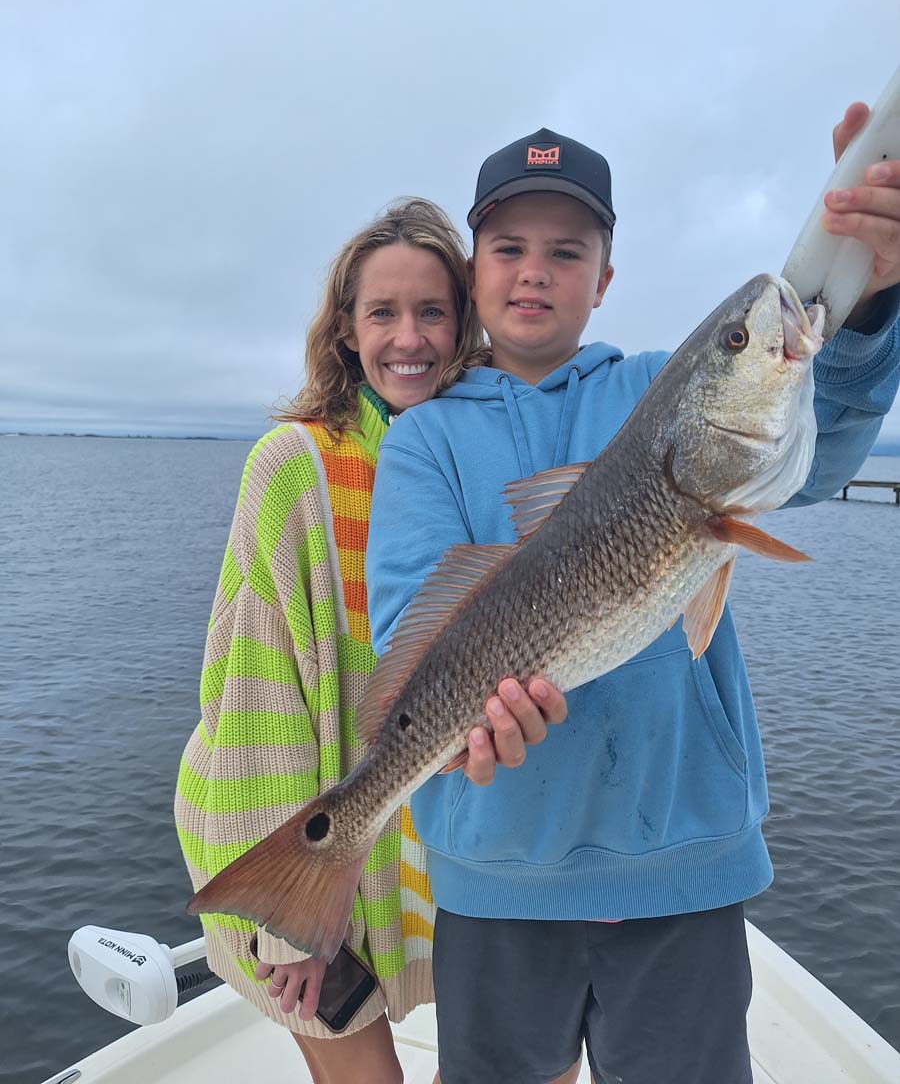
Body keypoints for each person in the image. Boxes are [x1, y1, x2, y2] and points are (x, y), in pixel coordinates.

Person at [366, 112, 900, 1084]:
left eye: (566, 252)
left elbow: (817, 447)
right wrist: (456, 722)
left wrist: (865, 295)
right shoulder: (422, 439)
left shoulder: (661, 388)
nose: (535, 272)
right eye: (510, 248)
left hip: (680, 868)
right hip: (495, 879)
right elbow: (414, 623)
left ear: (605, 278)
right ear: (474, 271)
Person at [173, 197, 568, 1084]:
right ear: (347, 331)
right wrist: (291, 919)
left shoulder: (482, 463)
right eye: (383, 313)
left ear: (464, 325)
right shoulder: (294, 467)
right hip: (297, 845)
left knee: (536, 1059)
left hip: (444, 844)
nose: (409, 338)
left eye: (433, 311)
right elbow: (257, 698)